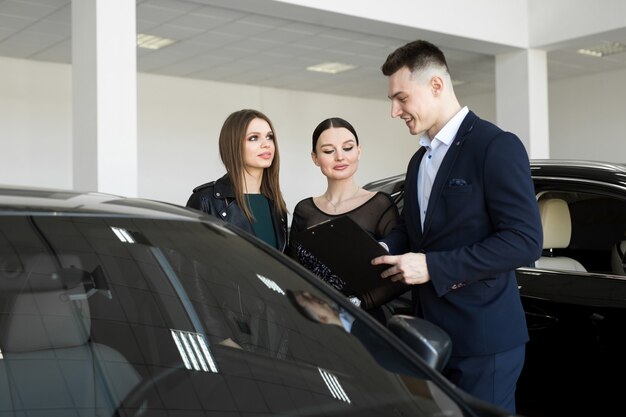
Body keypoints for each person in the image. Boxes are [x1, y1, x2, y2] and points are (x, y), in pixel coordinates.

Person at [371, 40, 543, 413]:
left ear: (436, 85)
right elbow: (413, 230)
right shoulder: (419, 160)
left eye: (400, 98)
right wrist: (383, 250)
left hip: (484, 341)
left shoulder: (495, 146)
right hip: (427, 336)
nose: (394, 111)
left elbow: (524, 241)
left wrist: (432, 266)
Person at [289, 117, 407, 323]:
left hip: (364, 323)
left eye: (348, 148)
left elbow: (399, 276)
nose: (340, 157)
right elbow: (292, 272)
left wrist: (351, 305)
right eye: (328, 151)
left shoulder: (380, 205)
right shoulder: (304, 210)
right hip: (312, 323)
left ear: (358, 151)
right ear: (315, 158)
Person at [186, 109, 288, 252]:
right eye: (254, 138)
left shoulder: (276, 203)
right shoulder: (205, 200)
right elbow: (191, 265)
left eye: (269, 137)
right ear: (233, 145)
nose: (266, 144)